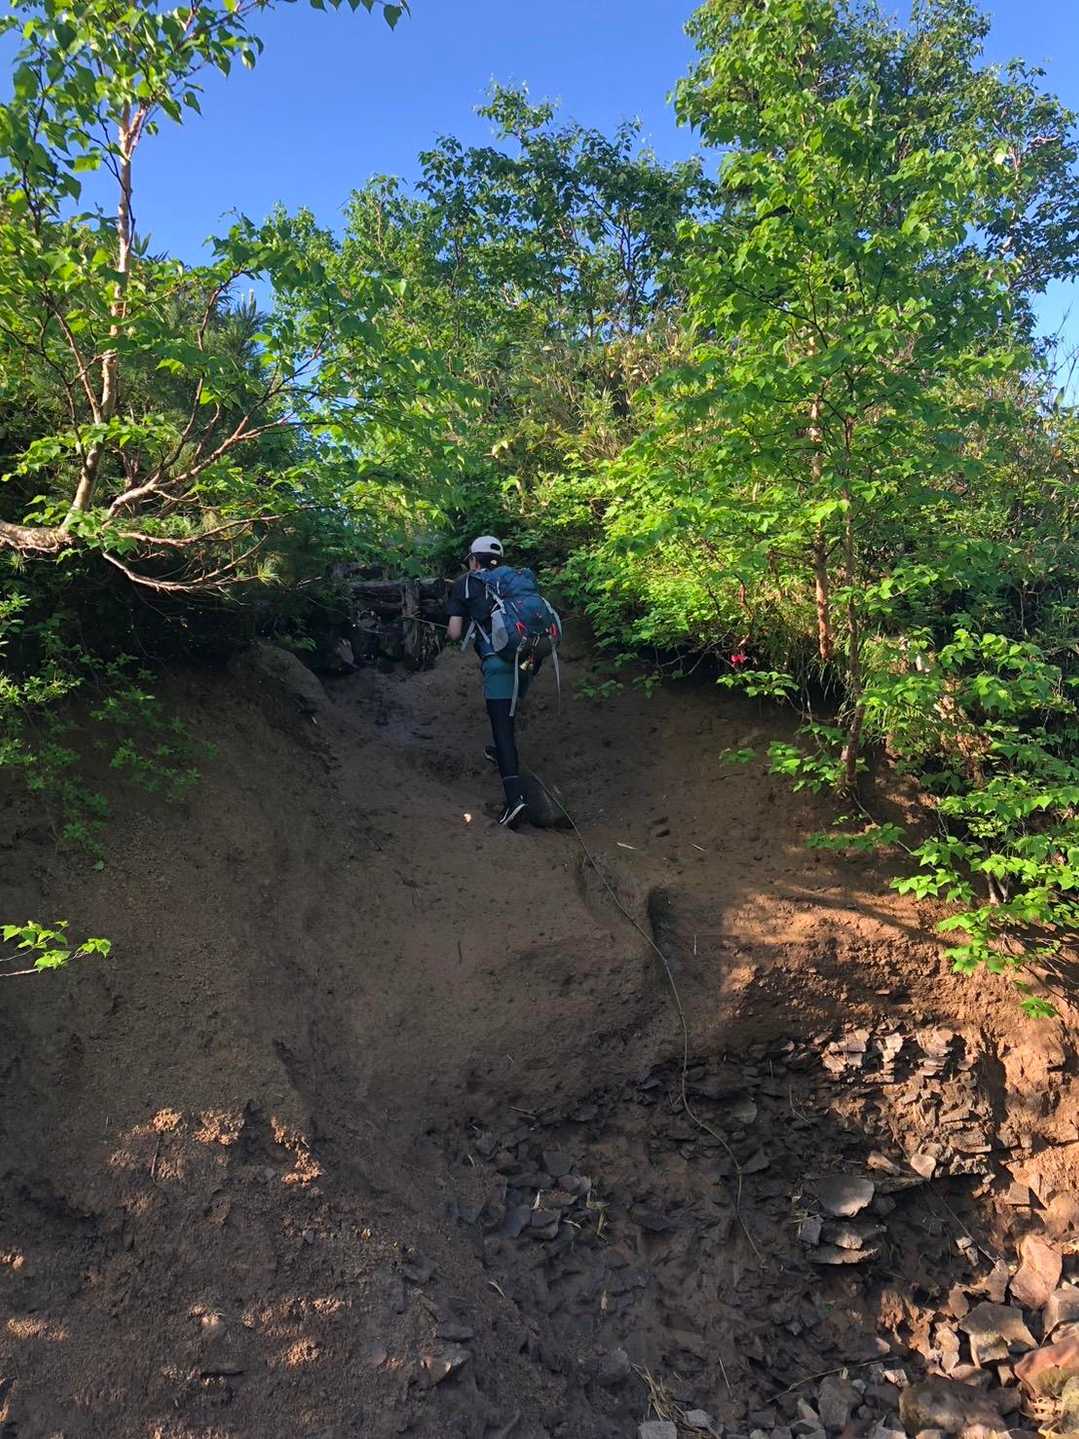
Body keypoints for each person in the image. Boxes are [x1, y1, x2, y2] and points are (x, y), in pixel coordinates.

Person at [446, 535, 538, 829]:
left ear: (474, 560)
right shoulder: (515, 578)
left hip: (498, 662)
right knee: (508, 713)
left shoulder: (465, 583)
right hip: (528, 659)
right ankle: (501, 753)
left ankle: (515, 800)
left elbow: (454, 633)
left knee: (502, 728)